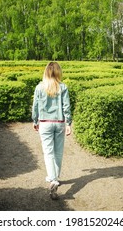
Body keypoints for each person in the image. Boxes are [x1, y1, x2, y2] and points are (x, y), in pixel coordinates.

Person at [32, 62, 72, 200]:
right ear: (58, 72)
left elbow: (35, 106)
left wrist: (35, 120)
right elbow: (66, 106)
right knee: (58, 152)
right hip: (59, 122)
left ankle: (53, 179)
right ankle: (55, 177)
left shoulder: (39, 87)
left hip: (45, 123)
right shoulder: (63, 87)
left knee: (48, 152)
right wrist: (69, 123)